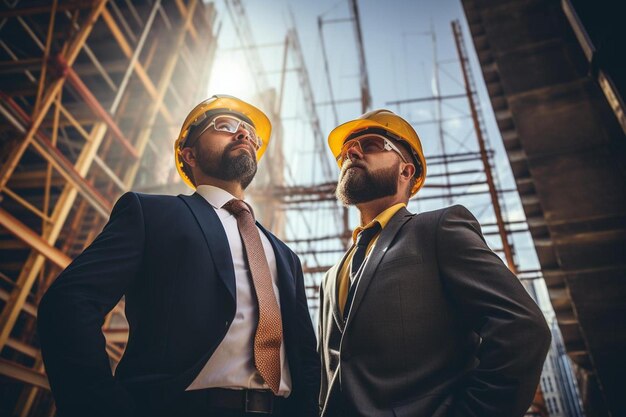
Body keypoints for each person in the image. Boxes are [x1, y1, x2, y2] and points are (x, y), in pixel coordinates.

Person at [38, 95, 320, 417]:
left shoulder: (285, 257)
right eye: (225, 126)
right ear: (190, 154)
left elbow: (305, 358)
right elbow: (69, 302)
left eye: (249, 133)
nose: (243, 134)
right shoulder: (151, 214)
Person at [318, 109, 551, 417]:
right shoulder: (332, 277)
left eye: (371, 144)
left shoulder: (438, 229)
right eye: (347, 151)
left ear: (406, 171)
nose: (352, 152)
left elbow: (522, 329)